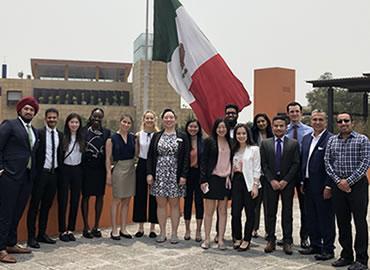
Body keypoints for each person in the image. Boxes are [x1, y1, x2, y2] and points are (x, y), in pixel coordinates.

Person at [325, 112, 370, 270]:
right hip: (338, 186)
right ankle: (346, 255)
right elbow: (327, 163)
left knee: (360, 222)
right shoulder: (332, 141)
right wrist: (339, 181)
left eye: (346, 121)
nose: (343, 123)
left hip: (357, 186)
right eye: (340, 121)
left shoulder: (362, 140)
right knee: (342, 222)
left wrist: (348, 181)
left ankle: (362, 259)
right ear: (337, 124)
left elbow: (365, 163)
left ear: (352, 122)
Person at [0, 96, 39, 264]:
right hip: (10, 176)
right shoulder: (10, 125)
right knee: (5, 213)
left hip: (26, 177)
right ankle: (0, 249)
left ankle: (10, 243)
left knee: (17, 212)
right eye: (26, 109)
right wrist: (1, 169)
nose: (29, 111)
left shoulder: (34, 131)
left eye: (32, 109)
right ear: (20, 110)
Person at [147, 108, 189, 244]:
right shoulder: (156, 136)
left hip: (175, 174)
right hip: (159, 173)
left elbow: (186, 158)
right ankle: (162, 232)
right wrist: (150, 173)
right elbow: (150, 156)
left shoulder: (182, 136)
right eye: (166, 117)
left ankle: (175, 234)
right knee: (161, 204)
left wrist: (183, 175)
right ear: (162, 120)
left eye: (171, 117)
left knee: (175, 205)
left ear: (175, 119)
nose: (169, 120)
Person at [260, 115, 300, 255]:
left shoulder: (293, 144)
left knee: (287, 212)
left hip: (287, 183)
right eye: (275, 126)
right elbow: (263, 164)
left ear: (286, 127)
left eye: (281, 126)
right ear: (272, 127)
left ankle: (287, 241)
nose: (278, 128)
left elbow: (296, 164)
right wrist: (271, 180)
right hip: (270, 183)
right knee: (270, 212)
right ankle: (270, 239)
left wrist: (285, 180)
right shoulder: (265, 143)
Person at [298, 110, 335, 261]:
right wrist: (301, 181)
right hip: (307, 184)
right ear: (310, 121)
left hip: (323, 186)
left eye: (320, 119)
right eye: (314, 119)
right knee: (311, 217)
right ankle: (315, 245)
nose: (317, 122)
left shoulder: (332, 139)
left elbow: (334, 164)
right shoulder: (307, 138)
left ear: (326, 122)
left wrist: (329, 186)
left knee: (325, 218)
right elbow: (303, 161)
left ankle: (328, 249)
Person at [27, 108, 63, 249]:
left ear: (57, 119)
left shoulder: (60, 135)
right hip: (40, 175)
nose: (52, 120)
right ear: (45, 119)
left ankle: (42, 234)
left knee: (46, 206)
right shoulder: (39, 133)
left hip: (54, 175)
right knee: (34, 206)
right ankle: (31, 237)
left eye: (54, 117)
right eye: (49, 117)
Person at [200, 118, 232, 250]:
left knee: (223, 211)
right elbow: (203, 162)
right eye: (219, 127)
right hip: (211, 179)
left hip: (225, 180)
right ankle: (207, 239)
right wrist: (203, 180)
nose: (221, 129)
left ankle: (220, 239)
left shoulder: (231, 142)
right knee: (209, 212)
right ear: (215, 128)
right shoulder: (209, 141)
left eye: (224, 127)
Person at [285, 101, 313, 249]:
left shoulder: (309, 131)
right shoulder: (283, 130)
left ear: (301, 113)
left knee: (305, 208)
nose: (294, 114)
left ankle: (304, 237)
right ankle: (287, 237)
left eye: (297, 111)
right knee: (286, 207)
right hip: (287, 174)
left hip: (303, 174)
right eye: (292, 111)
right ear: (288, 114)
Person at [81, 108, 111, 238]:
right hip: (86, 169)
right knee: (86, 197)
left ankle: (96, 226)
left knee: (100, 197)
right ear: (91, 116)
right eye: (95, 116)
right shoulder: (83, 132)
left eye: (99, 117)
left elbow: (109, 153)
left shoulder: (107, 133)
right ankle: (86, 226)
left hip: (100, 169)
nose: (97, 119)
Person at [106, 114, 136, 240]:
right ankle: (114, 229)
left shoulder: (133, 138)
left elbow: (137, 153)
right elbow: (107, 158)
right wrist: (108, 173)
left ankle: (123, 228)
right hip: (118, 169)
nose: (126, 125)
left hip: (130, 169)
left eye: (129, 123)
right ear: (120, 122)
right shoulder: (111, 139)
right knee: (116, 200)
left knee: (126, 201)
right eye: (124, 122)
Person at [231, 124, 261, 251]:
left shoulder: (254, 149)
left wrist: (255, 185)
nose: (241, 136)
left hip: (249, 183)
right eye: (238, 134)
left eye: (243, 133)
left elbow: (257, 168)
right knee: (235, 212)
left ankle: (247, 239)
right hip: (237, 182)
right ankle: (237, 237)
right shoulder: (234, 150)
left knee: (250, 213)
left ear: (247, 134)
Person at [58, 113, 85, 242]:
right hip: (65, 170)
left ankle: (70, 229)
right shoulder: (62, 137)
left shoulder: (82, 138)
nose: (74, 125)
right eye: (72, 122)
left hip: (77, 170)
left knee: (75, 200)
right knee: (63, 200)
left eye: (76, 122)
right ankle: (62, 230)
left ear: (80, 125)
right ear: (67, 123)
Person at [132, 110, 158, 238]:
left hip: (154, 165)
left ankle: (153, 228)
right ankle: (140, 227)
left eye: (151, 118)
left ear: (154, 120)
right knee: (140, 195)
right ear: (144, 120)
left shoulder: (158, 135)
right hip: (142, 164)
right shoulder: (138, 135)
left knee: (154, 196)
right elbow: (137, 152)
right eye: (147, 118)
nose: (149, 120)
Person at [251, 113, 273, 238]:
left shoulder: (272, 135)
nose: (261, 124)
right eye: (258, 122)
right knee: (256, 204)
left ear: (267, 122)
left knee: (268, 204)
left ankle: (268, 230)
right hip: (256, 173)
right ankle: (254, 228)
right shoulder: (253, 136)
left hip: (269, 174)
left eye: (263, 121)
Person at [183, 119, 204, 242]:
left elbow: (205, 162)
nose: (193, 129)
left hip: (199, 175)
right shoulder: (184, 141)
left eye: (195, 126)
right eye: (190, 126)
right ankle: (187, 230)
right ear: (187, 128)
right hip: (187, 174)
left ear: (199, 128)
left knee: (199, 202)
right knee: (187, 202)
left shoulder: (203, 142)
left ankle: (198, 231)